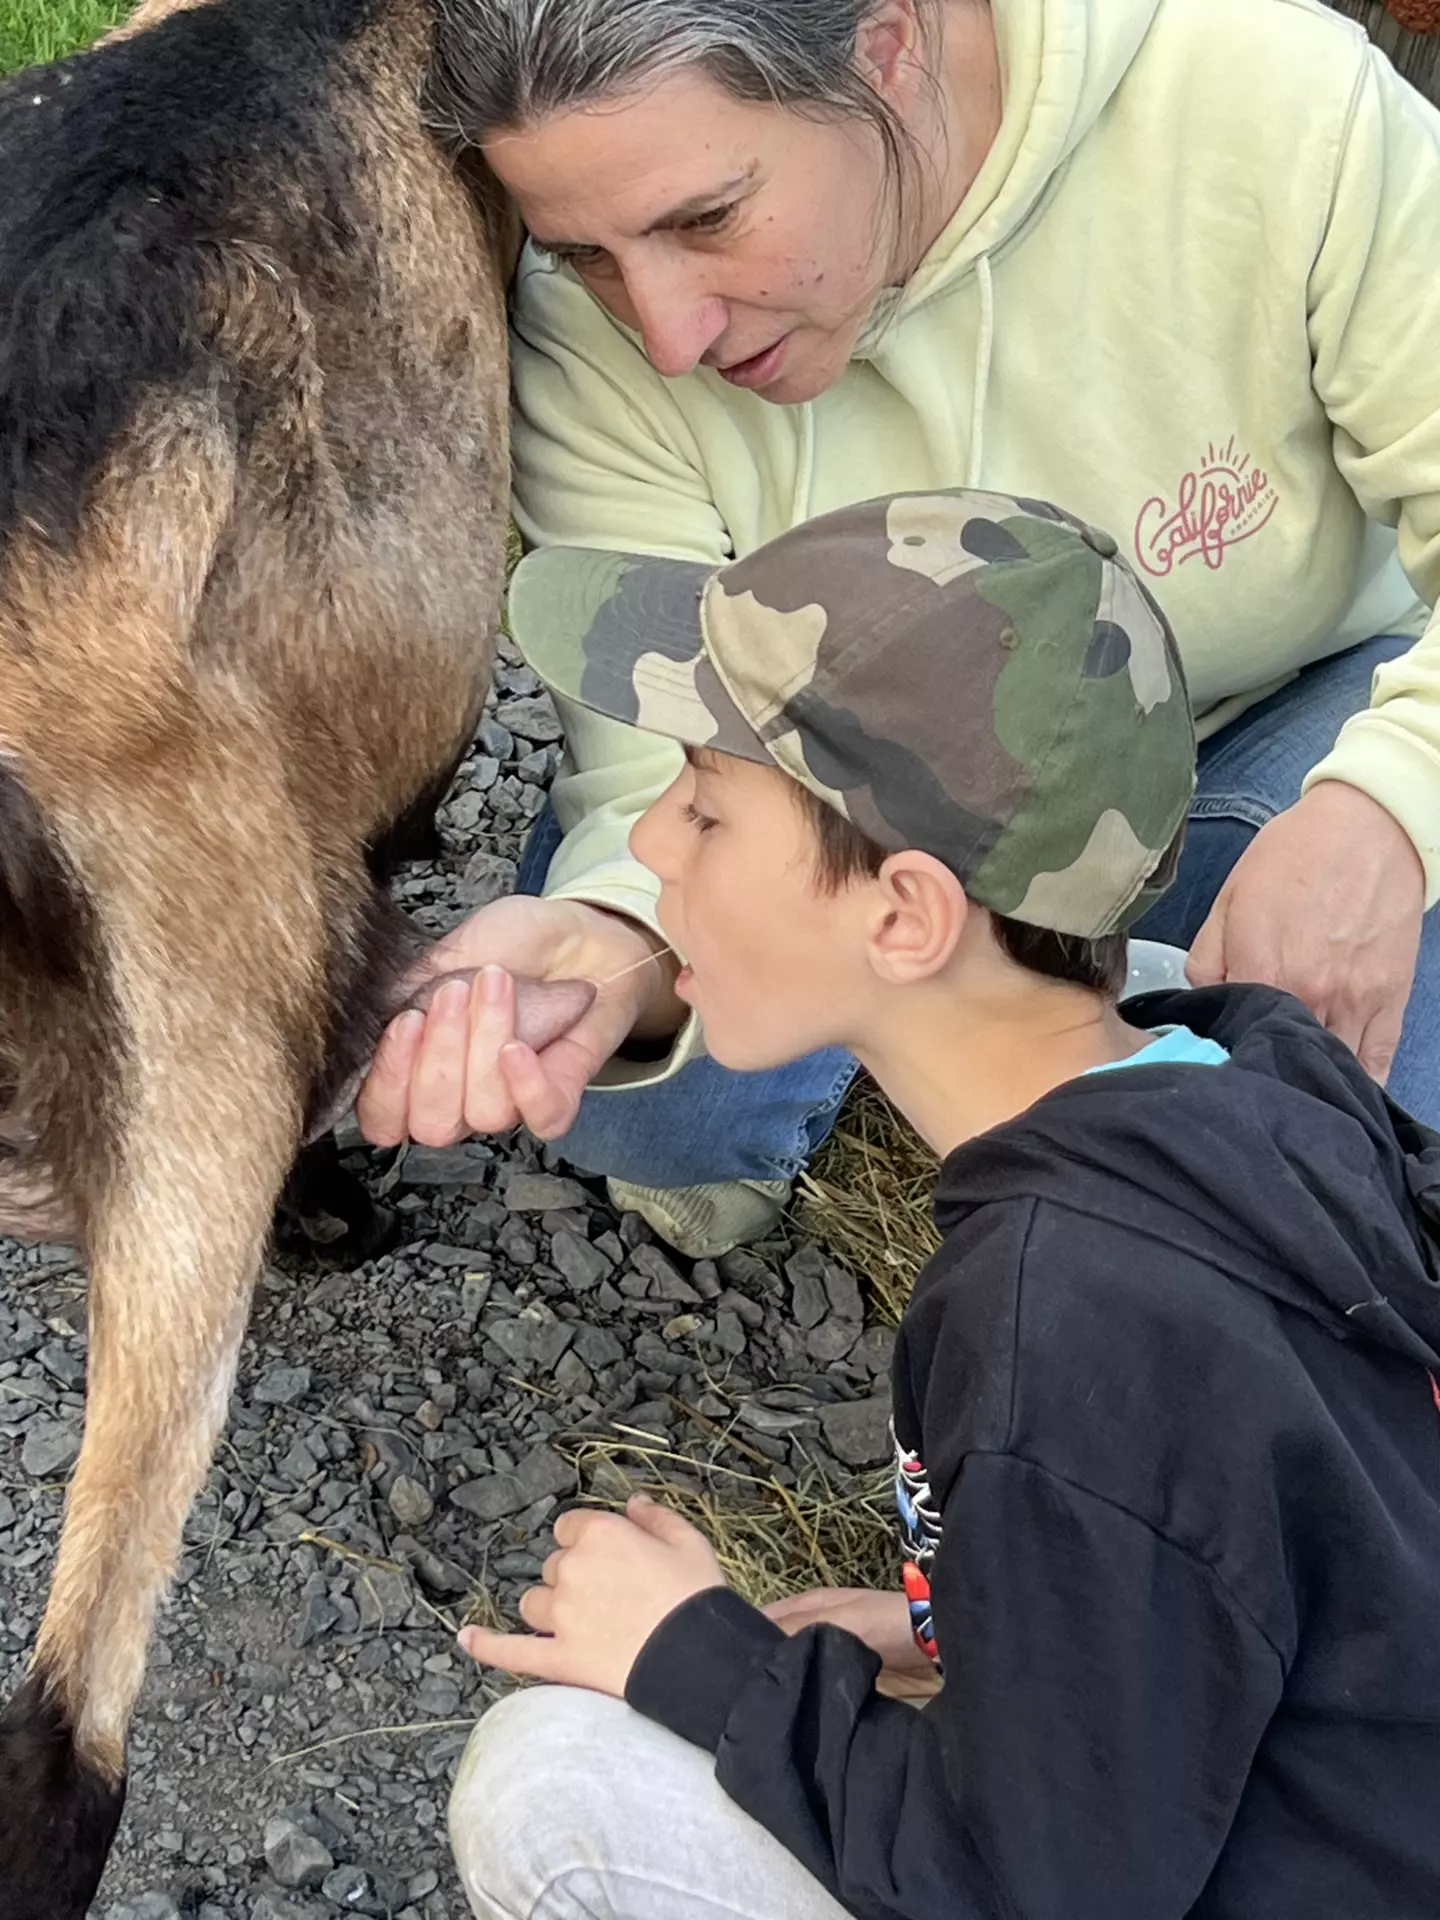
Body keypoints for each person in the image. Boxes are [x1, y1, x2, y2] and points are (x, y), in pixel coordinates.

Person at [440, 490, 1440, 1920]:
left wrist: (705, 1667)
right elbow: (1241, 1547)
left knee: (556, 1779)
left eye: (710, 808)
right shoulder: (1240, 1069)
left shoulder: (1066, 1326)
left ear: (905, 917)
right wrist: (970, 1627)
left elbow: (1040, 1892)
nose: (651, 843)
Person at [359, 0, 1440, 1257]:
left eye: (705, 220)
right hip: (828, 764)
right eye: (586, 254)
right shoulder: (601, 340)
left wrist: (1386, 811)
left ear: (888, 48)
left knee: (1346, 1130)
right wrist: (613, 941)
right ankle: (1027, 1003)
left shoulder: (1271, 98)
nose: (665, 336)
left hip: (1268, 717)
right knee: (652, 1114)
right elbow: (647, 767)